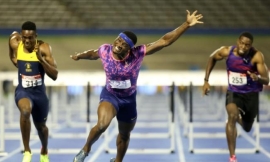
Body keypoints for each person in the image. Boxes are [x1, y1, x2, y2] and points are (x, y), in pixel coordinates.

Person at [70, 10, 203, 162]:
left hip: (129, 100)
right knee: (101, 125)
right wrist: (79, 56)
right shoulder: (105, 50)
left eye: (124, 44)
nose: (118, 45)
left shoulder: (138, 54)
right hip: (110, 95)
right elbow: (92, 54)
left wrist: (186, 24)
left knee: (125, 134)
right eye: (118, 40)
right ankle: (85, 149)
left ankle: (118, 160)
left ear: (130, 48)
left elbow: (165, 41)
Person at [202, 32, 269, 162]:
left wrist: (258, 78)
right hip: (234, 92)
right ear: (238, 42)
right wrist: (206, 80)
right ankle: (232, 157)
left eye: (247, 45)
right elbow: (212, 58)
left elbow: (266, 80)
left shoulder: (257, 56)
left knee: (247, 127)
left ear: (251, 46)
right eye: (242, 43)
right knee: (231, 116)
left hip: (251, 94)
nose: (244, 46)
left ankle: (239, 119)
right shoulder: (226, 51)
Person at [9, 21, 58, 162]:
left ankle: (44, 151)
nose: (27, 41)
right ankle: (27, 151)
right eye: (24, 37)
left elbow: (55, 75)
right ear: (21, 36)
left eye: (30, 38)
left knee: (41, 127)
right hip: (23, 91)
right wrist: (15, 62)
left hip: (39, 95)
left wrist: (41, 60)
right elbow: (12, 53)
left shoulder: (44, 48)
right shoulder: (15, 43)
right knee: (25, 111)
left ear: (36, 36)